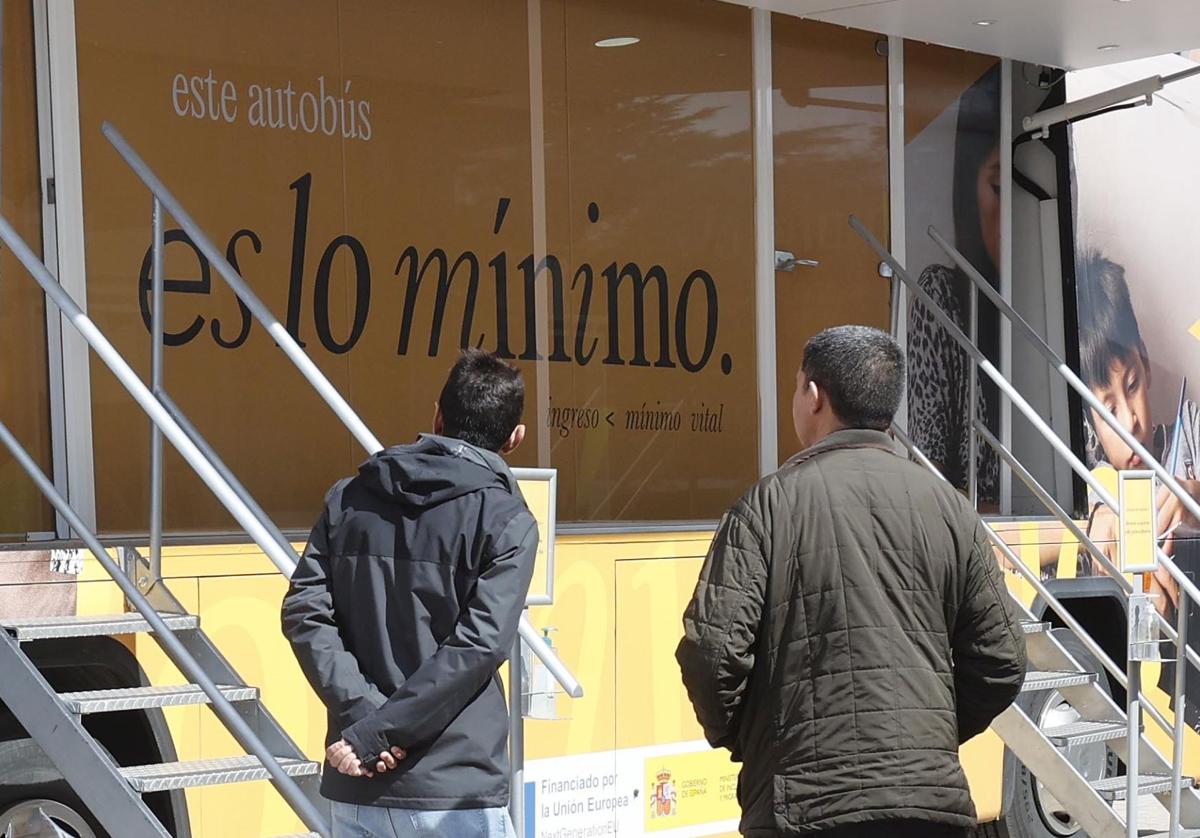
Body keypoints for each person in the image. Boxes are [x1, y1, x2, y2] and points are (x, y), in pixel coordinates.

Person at [676, 325, 1026, 838]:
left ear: (814, 397)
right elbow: (1002, 658)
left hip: (804, 804)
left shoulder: (767, 507)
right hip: (930, 805)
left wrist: (750, 740)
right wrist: (931, 732)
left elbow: (711, 652)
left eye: (798, 387)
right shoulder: (951, 508)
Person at [282, 349, 537, 838]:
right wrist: (377, 732)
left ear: (437, 416)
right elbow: (477, 649)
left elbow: (304, 611)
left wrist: (362, 720)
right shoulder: (507, 521)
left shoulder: (348, 497)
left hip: (357, 786)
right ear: (515, 438)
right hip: (454, 788)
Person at [1075, 251, 1200, 611]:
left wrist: (1193, 494)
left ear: (1145, 363)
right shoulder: (1085, 481)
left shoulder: (1190, 430)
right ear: (1089, 417)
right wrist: (1095, 521)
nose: (1129, 422)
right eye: (1108, 410)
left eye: (1131, 386)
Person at [907, 64, 1002, 509]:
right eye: (999, 186)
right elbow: (928, 453)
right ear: (969, 188)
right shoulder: (943, 295)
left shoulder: (1042, 307)